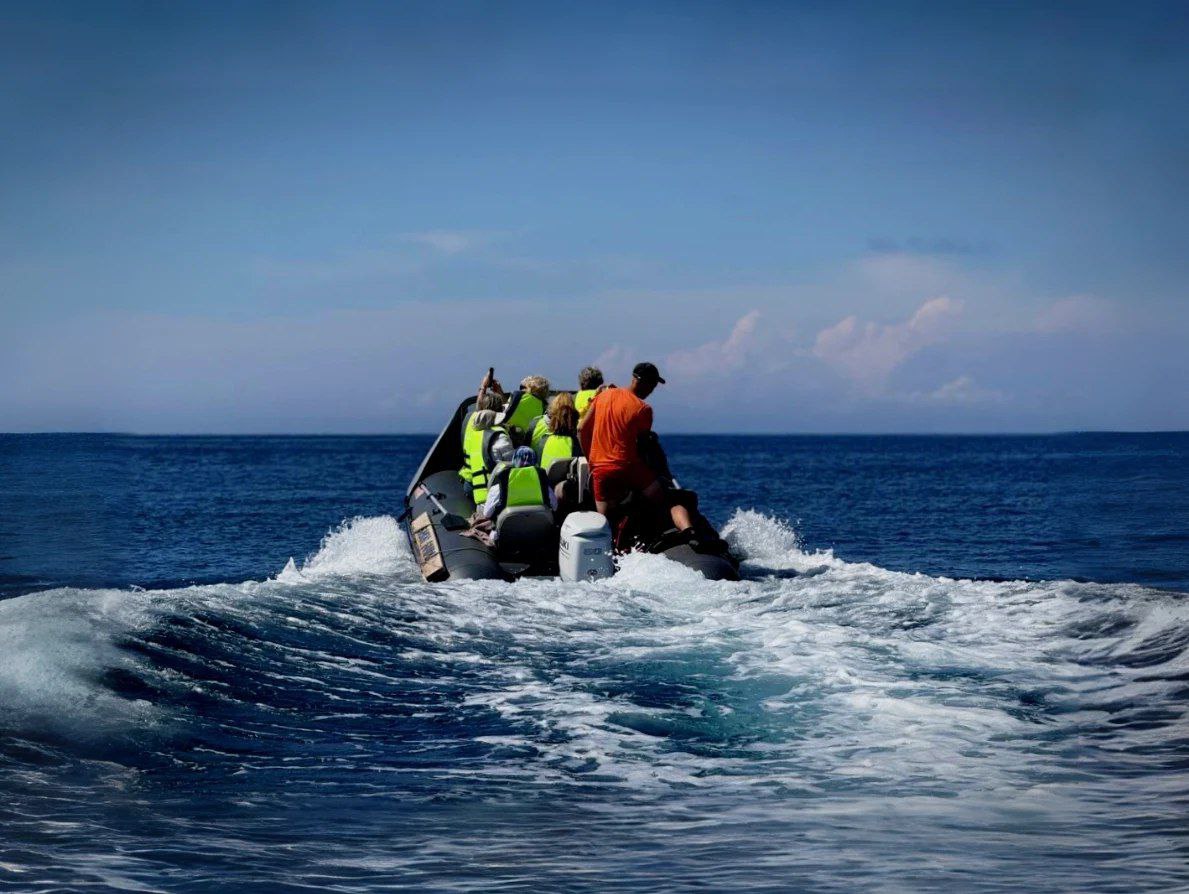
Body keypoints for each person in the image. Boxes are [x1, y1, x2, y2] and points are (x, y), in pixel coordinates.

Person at [578, 361, 693, 538]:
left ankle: (611, 546)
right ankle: (688, 531)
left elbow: (581, 430)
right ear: (639, 381)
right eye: (652, 384)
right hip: (629, 468)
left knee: (605, 522)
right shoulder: (643, 409)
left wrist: (592, 460)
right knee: (669, 499)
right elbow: (644, 445)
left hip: (600, 471)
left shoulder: (603, 396)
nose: (652, 389)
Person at [482, 446, 558, 521]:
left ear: (514, 460)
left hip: (508, 527)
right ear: (535, 463)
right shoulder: (543, 485)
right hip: (539, 526)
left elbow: (487, 513)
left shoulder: (500, 486)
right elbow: (555, 506)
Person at [460, 409, 513, 504]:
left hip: (474, 488)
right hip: (494, 491)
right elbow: (512, 462)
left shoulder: (475, 437)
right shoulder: (500, 437)